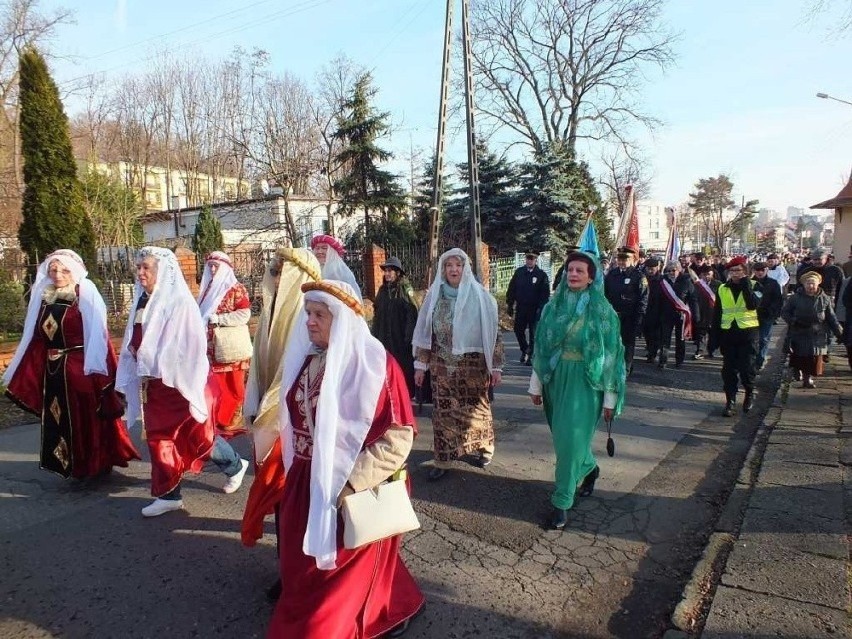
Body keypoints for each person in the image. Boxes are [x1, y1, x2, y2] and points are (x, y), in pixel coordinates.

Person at [267, 279, 424, 639]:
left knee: (323, 617)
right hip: (306, 484)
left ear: (343, 319)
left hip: (351, 489)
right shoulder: (308, 361)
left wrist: (349, 483)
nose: (309, 321)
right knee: (301, 573)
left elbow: (398, 439)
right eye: (308, 313)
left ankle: (374, 612)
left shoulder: (375, 367)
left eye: (320, 314)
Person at [116, 247, 249, 517]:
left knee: (198, 435)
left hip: (180, 382)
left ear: (162, 271)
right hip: (153, 384)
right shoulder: (142, 300)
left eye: (146, 268)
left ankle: (235, 465)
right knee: (158, 438)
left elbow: (185, 346)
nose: (140, 272)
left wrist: (144, 354)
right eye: (138, 267)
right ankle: (169, 495)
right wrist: (133, 353)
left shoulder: (179, 303)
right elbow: (135, 335)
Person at [3, 249, 140, 479]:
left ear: (74, 271)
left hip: (80, 368)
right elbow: (36, 337)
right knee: (60, 417)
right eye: (53, 269)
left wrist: (98, 369)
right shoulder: (44, 296)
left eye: (64, 270)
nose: (58, 274)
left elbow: (98, 335)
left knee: (85, 417)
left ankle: (95, 463)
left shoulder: (83, 294)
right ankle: (70, 464)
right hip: (54, 370)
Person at [241, 248, 321, 602]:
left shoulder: (312, 318)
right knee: (280, 506)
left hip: (293, 429)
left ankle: (303, 576)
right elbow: (260, 368)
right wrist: (252, 407)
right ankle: (286, 570)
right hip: (268, 423)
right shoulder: (271, 313)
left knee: (295, 504)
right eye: (272, 271)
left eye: (280, 272)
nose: (273, 278)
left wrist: (271, 416)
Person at [528, 251, 626, 530]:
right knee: (564, 440)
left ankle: (561, 502)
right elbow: (542, 348)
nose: (573, 274)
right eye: (570, 269)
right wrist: (536, 384)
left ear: (591, 277)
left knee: (570, 441)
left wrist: (610, 398)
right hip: (555, 380)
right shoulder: (552, 308)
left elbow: (611, 358)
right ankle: (590, 468)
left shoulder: (603, 311)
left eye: (580, 271)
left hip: (586, 382)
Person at [412, 248, 504, 481]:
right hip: (442, 367)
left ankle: (484, 447)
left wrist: (495, 366)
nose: (453, 269)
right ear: (443, 269)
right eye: (449, 265)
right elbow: (425, 333)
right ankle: (442, 458)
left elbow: (494, 334)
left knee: (477, 411)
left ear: (466, 269)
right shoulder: (434, 296)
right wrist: (420, 366)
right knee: (443, 412)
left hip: (473, 367)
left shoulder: (481, 298)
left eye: (458, 265)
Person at [197, 251, 252, 432]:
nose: (212, 270)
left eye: (216, 266)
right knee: (216, 384)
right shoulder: (207, 290)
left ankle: (235, 417)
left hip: (230, 345)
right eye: (210, 266)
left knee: (234, 384)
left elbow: (244, 314)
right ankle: (218, 417)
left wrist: (219, 319)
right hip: (211, 346)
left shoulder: (236, 288)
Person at [710, 256, 760, 417]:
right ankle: (730, 401)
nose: (735, 274)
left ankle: (749, 393)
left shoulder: (755, 285)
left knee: (747, 369)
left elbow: (753, 304)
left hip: (748, 334)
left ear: (745, 272)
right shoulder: (723, 288)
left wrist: (746, 285)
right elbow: (717, 313)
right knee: (729, 371)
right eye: (732, 271)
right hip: (729, 334)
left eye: (738, 270)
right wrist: (714, 339)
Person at [781, 271, 843, 389]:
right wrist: (793, 321)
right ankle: (799, 371)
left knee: (814, 358)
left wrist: (840, 333)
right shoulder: (795, 298)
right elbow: (785, 312)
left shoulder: (825, 299)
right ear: (804, 284)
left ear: (818, 284)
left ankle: (807, 378)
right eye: (808, 283)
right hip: (799, 331)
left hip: (817, 332)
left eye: (813, 283)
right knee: (800, 356)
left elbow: (831, 317)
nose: (811, 286)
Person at [372, 256, 419, 394]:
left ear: (398, 273)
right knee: (385, 367)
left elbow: (413, 312)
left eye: (390, 271)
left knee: (402, 367)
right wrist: (374, 335)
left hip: (400, 338)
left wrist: (408, 337)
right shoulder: (382, 291)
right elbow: (377, 313)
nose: (387, 274)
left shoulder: (405, 289)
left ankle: (406, 394)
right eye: (385, 271)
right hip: (384, 337)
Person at [603, 246, 648, 375]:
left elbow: (643, 299)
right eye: (620, 259)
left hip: (630, 316)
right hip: (613, 316)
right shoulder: (612, 274)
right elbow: (605, 294)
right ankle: (615, 365)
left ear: (632, 259)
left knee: (628, 343)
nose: (622, 262)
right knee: (614, 342)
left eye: (625, 259)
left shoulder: (638, 276)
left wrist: (639, 318)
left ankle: (626, 368)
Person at [506, 251, 550, 365]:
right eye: (528, 258)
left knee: (533, 333)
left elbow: (545, 293)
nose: (529, 261)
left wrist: (541, 307)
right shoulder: (519, 272)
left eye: (532, 259)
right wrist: (510, 304)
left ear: (536, 260)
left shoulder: (541, 275)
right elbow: (512, 288)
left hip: (534, 308)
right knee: (518, 330)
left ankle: (531, 355)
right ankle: (525, 349)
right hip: (521, 307)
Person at [655, 261, 698, 369]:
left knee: (680, 339)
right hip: (666, 314)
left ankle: (679, 360)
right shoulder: (663, 282)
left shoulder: (686, 281)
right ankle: (663, 361)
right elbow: (657, 300)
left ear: (679, 270)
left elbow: (693, 299)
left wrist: (696, 315)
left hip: (681, 314)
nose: (671, 273)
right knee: (665, 338)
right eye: (669, 271)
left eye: (673, 270)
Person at [751, 262, 783, 371]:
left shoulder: (773, 283)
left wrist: (774, 313)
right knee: (752, 339)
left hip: (767, 315)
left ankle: (760, 361)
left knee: (763, 339)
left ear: (766, 270)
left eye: (762, 270)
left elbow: (778, 300)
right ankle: (752, 359)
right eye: (757, 270)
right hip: (751, 316)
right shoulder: (750, 283)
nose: (760, 272)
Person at [310, 233, 362, 300]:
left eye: (324, 248)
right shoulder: (310, 269)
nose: (320, 251)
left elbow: (352, 298)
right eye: (317, 248)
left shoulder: (342, 272)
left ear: (332, 252)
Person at [692, 265, 720, 359]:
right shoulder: (697, 285)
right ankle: (700, 351)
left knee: (712, 333)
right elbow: (694, 298)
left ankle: (711, 350)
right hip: (701, 311)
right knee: (701, 333)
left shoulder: (718, 284)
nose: (706, 276)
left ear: (712, 274)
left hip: (714, 312)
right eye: (704, 274)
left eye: (708, 274)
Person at [642, 257, 663, 362]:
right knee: (647, 332)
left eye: (652, 268)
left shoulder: (662, 280)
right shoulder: (643, 278)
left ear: (657, 268)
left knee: (655, 334)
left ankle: (653, 352)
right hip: (646, 309)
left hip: (658, 309)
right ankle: (650, 350)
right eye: (648, 268)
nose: (650, 271)